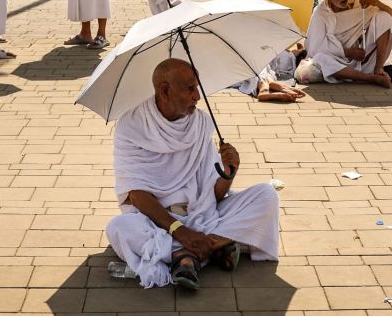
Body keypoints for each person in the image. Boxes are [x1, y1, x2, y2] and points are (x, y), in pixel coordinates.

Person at [105, 58, 280, 289]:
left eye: (197, 88)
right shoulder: (131, 126)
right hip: (156, 221)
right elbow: (136, 195)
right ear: (165, 91)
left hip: (202, 213)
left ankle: (186, 256)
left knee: (266, 195)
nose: (197, 96)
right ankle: (213, 247)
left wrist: (228, 173)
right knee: (119, 227)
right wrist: (180, 231)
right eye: (190, 89)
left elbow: (214, 195)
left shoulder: (200, 123)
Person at [305, 0, 392, 88]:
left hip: (361, 60)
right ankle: (370, 78)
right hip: (335, 61)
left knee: (384, 17)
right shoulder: (320, 13)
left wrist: (377, 3)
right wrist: (348, 52)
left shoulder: (359, 6)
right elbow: (316, 48)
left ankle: (378, 69)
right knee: (319, 58)